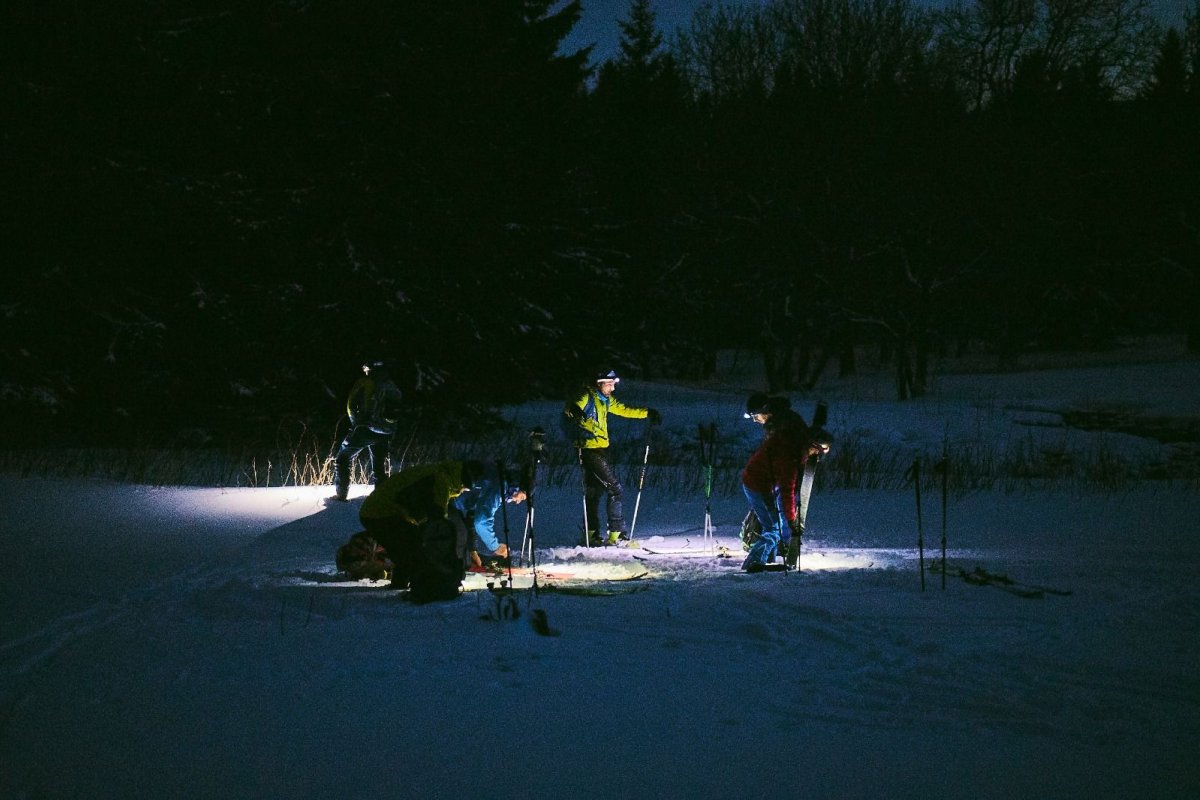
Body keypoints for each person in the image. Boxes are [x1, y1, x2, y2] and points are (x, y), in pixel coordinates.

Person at [358, 459, 484, 602]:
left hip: (378, 510)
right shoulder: (440, 482)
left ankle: (402, 582)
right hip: (381, 512)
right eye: (464, 488)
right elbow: (438, 524)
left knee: (405, 544)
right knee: (412, 546)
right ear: (462, 481)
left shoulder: (440, 474)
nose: (462, 491)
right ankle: (421, 587)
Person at [563, 369, 661, 546]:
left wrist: (647, 413)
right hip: (589, 450)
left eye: (613, 384)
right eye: (610, 384)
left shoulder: (605, 400)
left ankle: (591, 534)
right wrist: (576, 412)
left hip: (601, 449)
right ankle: (617, 534)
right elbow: (571, 407)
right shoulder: (587, 396)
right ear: (600, 383)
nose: (612, 388)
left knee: (595, 491)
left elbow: (625, 410)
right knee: (615, 488)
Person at [740, 393, 826, 573]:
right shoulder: (791, 454)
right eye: (815, 452)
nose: (814, 456)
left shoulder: (788, 437)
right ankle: (754, 561)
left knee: (771, 524)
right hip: (758, 484)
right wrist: (791, 519)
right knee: (773, 527)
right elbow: (787, 491)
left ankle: (767, 558)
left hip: (759, 480)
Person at [332, 360, 404, 501]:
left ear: (370, 369)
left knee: (342, 458)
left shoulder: (365, 382)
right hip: (386, 432)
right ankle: (382, 498)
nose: (364, 371)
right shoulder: (392, 385)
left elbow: (351, 406)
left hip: (366, 429)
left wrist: (357, 424)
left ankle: (341, 495)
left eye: (365, 368)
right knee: (378, 467)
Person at [452, 462, 527, 571]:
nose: (518, 502)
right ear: (518, 488)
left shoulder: (500, 483)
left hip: (454, 503)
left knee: (462, 533)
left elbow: (472, 516)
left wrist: (473, 550)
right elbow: (481, 521)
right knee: (459, 535)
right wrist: (495, 547)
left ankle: (462, 565)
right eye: (522, 497)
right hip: (445, 500)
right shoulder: (498, 486)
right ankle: (450, 573)